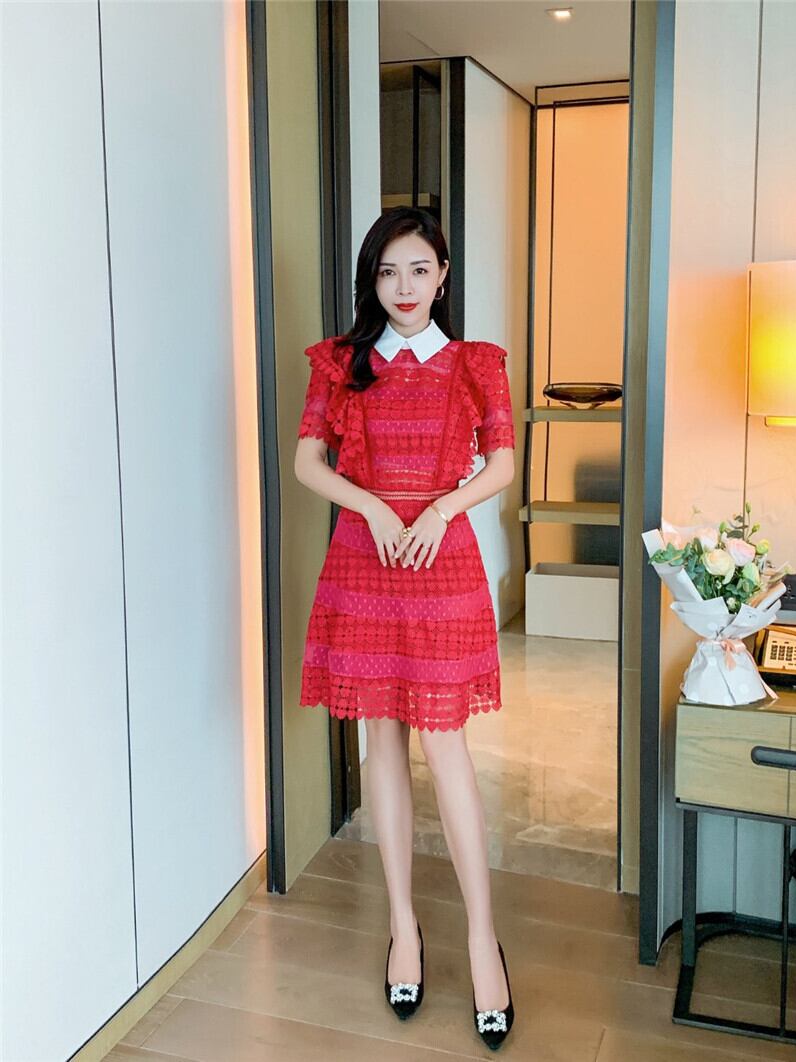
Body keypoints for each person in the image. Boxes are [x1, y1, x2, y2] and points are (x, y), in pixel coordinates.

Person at [294, 206, 516, 1050]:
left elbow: (502, 462)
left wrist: (442, 509)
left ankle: (482, 940)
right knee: (381, 743)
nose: (404, 287)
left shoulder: (475, 363)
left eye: (419, 269)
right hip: (364, 563)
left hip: (442, 564)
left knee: (445, 746)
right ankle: (403, 929)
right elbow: (308, 461)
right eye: (387, 272)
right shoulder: (341, 362)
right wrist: (375, 508)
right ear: (372, 281)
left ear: (444, 275)